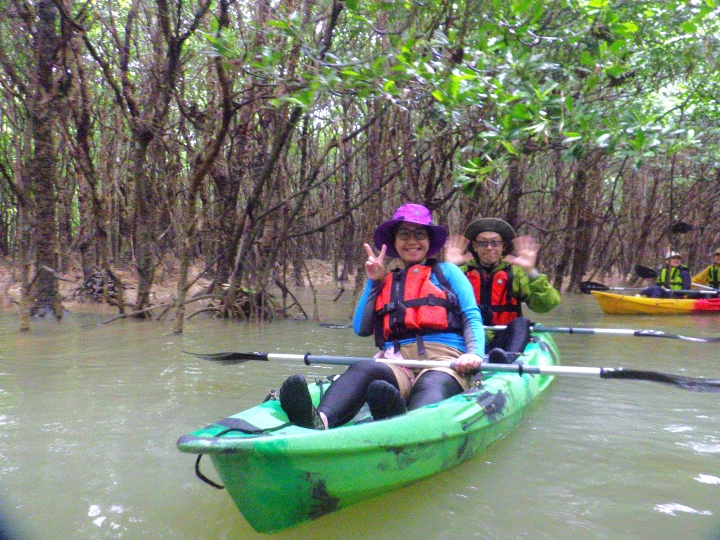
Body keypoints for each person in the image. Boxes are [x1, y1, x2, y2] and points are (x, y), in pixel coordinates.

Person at [278, 203, 485, 429]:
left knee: (431, 383)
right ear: (395, 242)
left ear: (429, 242)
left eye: (419, 234)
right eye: (404, 234)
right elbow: (361, 328)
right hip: (397, 360)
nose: (412, 241)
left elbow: (471, 316)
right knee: (365, 368)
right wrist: (373, 281)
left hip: (444, 359)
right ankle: (321, 420)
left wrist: (474, 355)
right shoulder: (387, 280)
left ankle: (407, 427)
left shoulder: (448, 272)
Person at [445, 218, 560, 356]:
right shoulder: (459, 272)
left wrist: (531, 271)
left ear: (503, 246)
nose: (489, 247)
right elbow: (438, 306)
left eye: (495, 243)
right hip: (468, 338)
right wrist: (449, 268)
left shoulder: (516, 273)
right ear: (475, 246)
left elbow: (546, 305)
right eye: (483, 243)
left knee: (521, 323)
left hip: (505, 339)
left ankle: (508, 358)